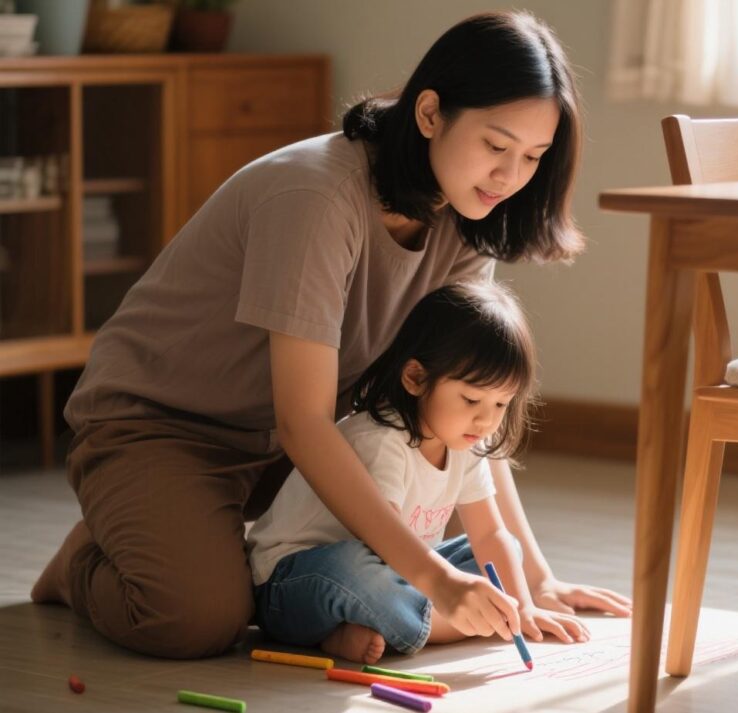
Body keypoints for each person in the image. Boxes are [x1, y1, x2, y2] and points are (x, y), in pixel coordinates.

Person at [31, 10, 631, 659]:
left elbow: (467, 412)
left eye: (533, 158)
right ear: (430, 113)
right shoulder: (314, 195)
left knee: (336, 569)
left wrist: (537, 579)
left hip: (291, 444)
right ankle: (86, 561)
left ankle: (180, 544)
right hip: (162, 426)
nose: (510, 176)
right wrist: (436, 577)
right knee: (198, 620)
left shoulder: (465, 215)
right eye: (495, 145)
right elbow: (304, 422)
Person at [249, 281, 591, 663]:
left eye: (501, 404)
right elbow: (383, 544)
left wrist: (523, 606)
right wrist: (474, 601)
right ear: (415, 378)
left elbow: (489, 533)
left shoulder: (465, 440)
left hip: (399, 571)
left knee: (504, 551)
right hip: (293, 581)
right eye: (472, 399)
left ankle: (371, 629)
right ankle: (444, 625)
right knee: (357, 569)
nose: (485, 419)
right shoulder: (383, 441)